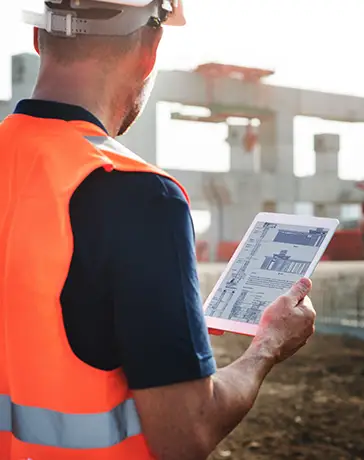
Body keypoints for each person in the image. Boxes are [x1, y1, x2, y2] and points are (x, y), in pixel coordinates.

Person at [0, 1, 316, 459]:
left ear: (38, 38)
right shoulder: (139, 195)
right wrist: (267, 345)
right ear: (150, 48)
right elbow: (186, 434)